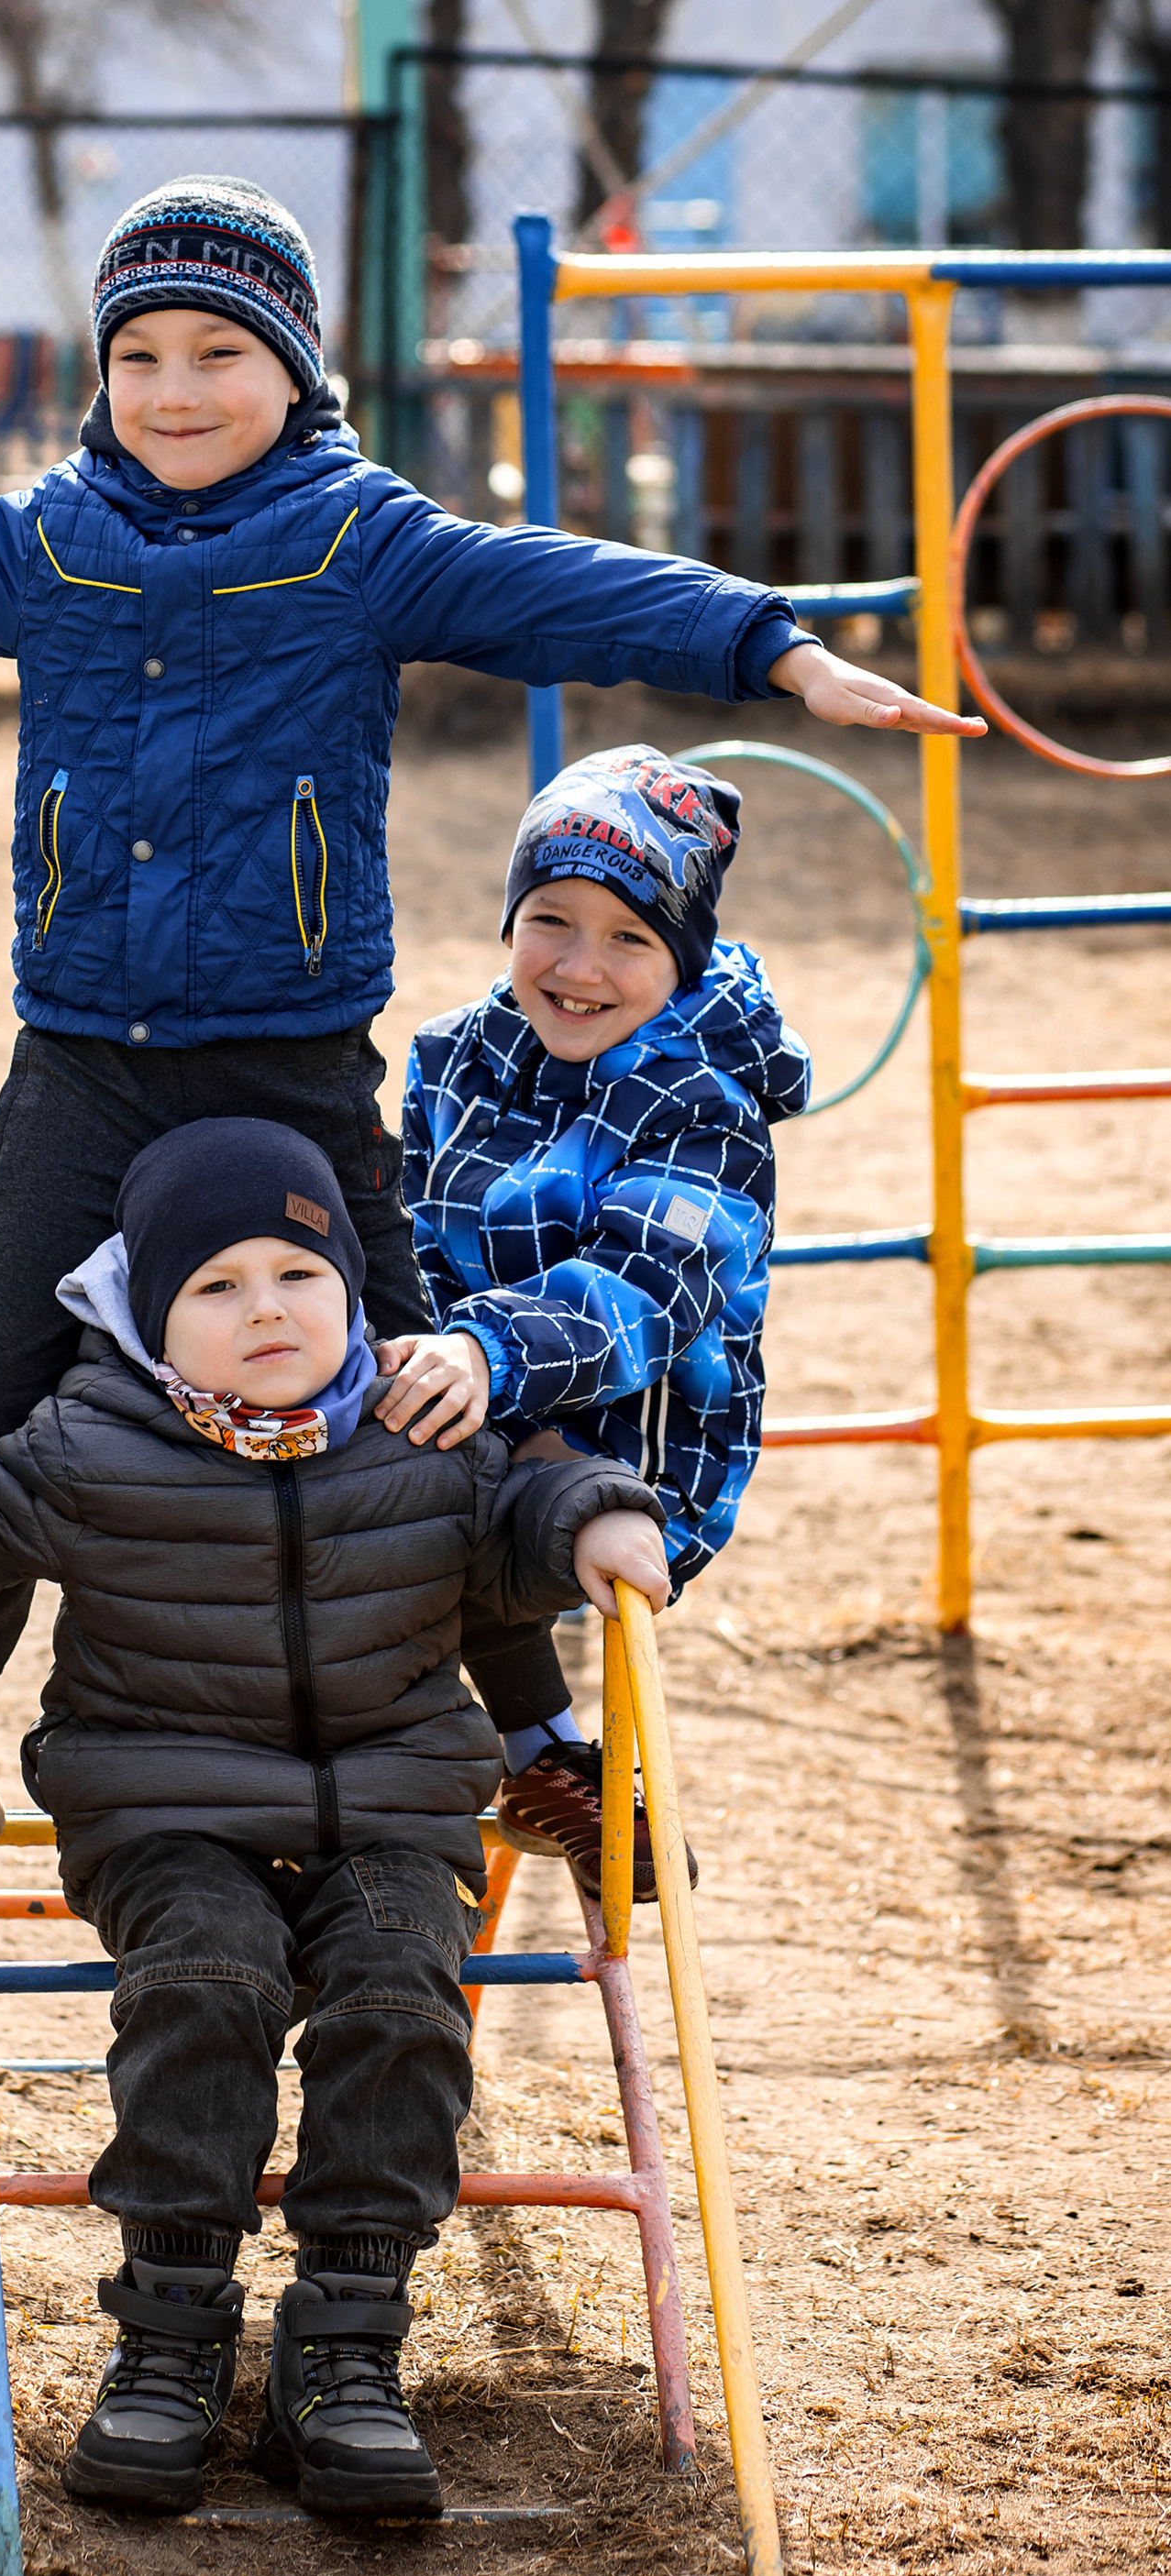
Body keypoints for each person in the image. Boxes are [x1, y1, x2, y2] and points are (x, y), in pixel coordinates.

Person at [0, 174, 977, 1817]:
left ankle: (533, 1739)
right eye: (142, 354)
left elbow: (555, 586)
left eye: (219, 353)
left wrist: (772, 647)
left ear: (297, 371)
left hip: (291, 1054)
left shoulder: (357, 542)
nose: (175, 391)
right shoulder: (43, 545)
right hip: (85, 1059)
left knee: (402, 1381)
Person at [0, 1115, 668, 2515]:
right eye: (213, 1286)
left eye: (297, 1274)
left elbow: (520, 1510)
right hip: (167, 1806)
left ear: (350, 1291)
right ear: (149, 1314)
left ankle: (344, 2344)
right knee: (204, 1983)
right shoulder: (94, 1439)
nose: (265, 1307)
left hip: (386, 1807)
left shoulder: (414, 1427)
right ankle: (169, 2330)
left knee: (400, 1995)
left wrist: (592, 1517)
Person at [381, 746, 810, 1901]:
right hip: (472, 1402)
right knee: (313, 1478)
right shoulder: (451, 1057)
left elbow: (647, 1288)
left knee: (412, 1509)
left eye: (630, 939)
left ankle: (534, 1753)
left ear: (683, 955)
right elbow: (408, 1234)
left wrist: (484, 1354)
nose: (578, 966)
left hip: (637, 1440)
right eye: (549, 919)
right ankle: (437, 1779)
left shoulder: (704, 1104)